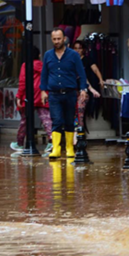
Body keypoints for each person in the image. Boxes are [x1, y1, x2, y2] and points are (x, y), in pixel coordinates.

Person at [40, 28, 88, 159]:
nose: (56, 41)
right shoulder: (48, 55)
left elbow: (82, 74)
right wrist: (43, 91)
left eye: (59, 39)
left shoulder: (73, 55)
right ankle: (56, 148)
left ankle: (69, 147)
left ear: (64, 39)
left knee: (69, 120)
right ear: (51, 39)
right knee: (56, 120)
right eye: (54, 39)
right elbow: (44, 74)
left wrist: (83, 89)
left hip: (70, 93)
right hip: (54, 93)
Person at [12, 47, 52, 153]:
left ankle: (20, 143)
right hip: (41, 95)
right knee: (46, 119)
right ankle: (52, 141)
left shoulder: (25, 65)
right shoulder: (42, 65)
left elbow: (22, 83)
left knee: (24, 121)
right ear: (39, 55)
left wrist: (19, 96)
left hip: (29, 96)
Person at [72, 40, 103, 129]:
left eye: (79, 48)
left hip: (84, 89)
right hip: (73, 89)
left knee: (80, 111)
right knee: (73, 112)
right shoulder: (71, 60)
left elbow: (95, 70)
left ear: (83, 50)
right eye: (75, 48)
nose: (77, 50)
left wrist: (100, 79)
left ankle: (80, 131)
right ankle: (77, 131)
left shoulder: (87, 60)